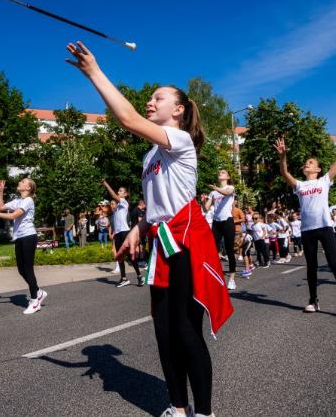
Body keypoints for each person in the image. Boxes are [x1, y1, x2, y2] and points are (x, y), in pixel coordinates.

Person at [67, 41, 232, 417]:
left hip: (187, 243)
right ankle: (177, 406)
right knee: (163, 333)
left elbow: (127, 119)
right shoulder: (149, 156)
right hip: (162, 244)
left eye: (158, 97)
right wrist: (136, 231)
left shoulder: (180, 141)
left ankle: (203, 413)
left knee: (187, 333)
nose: (149, 101)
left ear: (178, 109)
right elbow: (153, 208)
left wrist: (94, 72)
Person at [274, 128, 336, 320]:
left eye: (310, 162)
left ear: (318, 169)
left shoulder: (324, 181)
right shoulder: (300, 186)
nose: (307, 164)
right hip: (307, 230)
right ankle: (313, 300)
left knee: (334, 264)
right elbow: (284, 171)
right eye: (306, 162)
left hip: (325, 227)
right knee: (311, 266)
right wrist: (283, 155)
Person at [0, 178, 47, 314]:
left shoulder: (28, 200)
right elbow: (1, 207)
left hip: (29, 236)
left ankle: (35, 301)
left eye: (23, 181)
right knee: (21, 269)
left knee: (28, 269)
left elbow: (13, 216)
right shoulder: (18, 201)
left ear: (28, 188)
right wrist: (0, 192)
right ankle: (38, 292)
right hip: (20, 237)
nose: (19, 182)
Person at [102, 179, 143, 287]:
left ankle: (139, 276)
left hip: (125, 233)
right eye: (118, 191)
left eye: (120, 191)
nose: (118, 192)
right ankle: (124, 278)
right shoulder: (116, 210)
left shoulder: (124, 203)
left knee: (130, 255)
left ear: (125, 194)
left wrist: (106, 184)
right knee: (120, 256)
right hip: (118, 234)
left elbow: (115, 197)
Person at [204, 170, 237, 289]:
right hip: (216, 222)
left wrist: (216, 188)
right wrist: (204, 201)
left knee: (229, 250)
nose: (220, 173)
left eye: (223, 173)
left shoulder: (230, 187)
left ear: (227, 176)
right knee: (213, 250)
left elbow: (226, 192)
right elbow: (206, 208)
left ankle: (232, 279)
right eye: (219, 173)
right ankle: (215, 275)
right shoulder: (213, 192)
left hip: (227, 221)